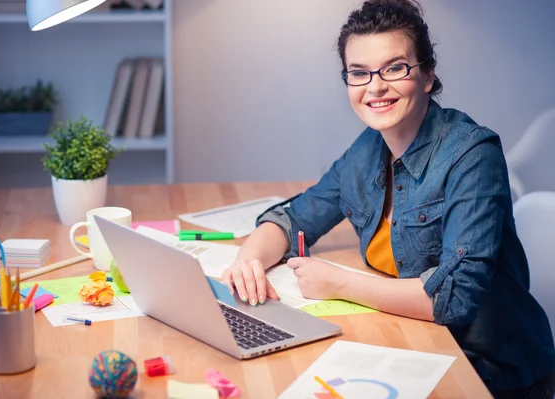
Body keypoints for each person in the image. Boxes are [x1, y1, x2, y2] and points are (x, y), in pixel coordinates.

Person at [220, 0, 555, 397]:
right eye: (359, 73)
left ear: (427, 75)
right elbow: (294, 217)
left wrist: (342, 284)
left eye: (394, 68)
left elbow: (455, 297)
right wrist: (249, 261)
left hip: (487, 368)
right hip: (411, 342)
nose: (375, 87)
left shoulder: (472, 154)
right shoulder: (366, 150)